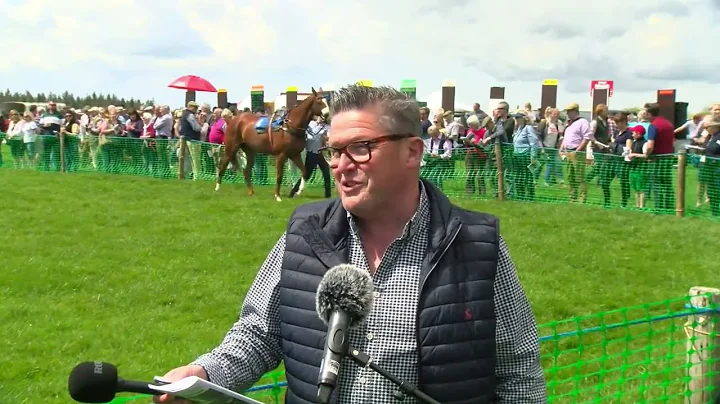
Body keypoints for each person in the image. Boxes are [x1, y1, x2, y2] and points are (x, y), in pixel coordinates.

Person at [155, 85, 546, 404]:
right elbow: (259, 332)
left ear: (413, 151)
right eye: (334, 150)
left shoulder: (477, 245)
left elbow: (519, 373)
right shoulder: (305, 232)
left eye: (360, 147)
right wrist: (206, 373)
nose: (341, 165)